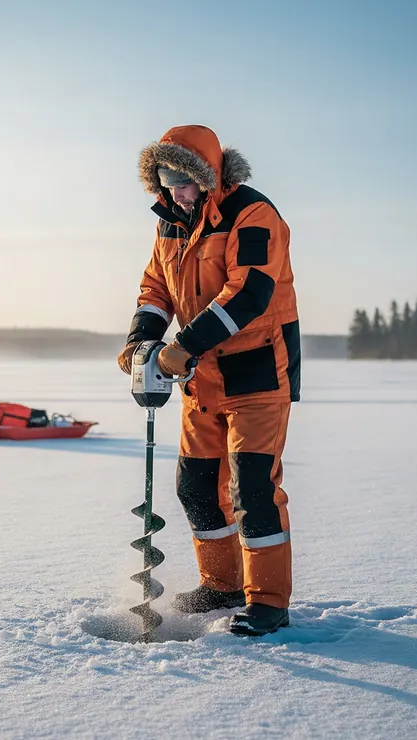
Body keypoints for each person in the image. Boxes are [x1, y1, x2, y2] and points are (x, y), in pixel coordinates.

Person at [117, 125, 300, 636]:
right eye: (162, 177)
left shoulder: (253, 214)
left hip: (258, 374)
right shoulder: (171, 224)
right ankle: (222, 585)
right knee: (196, 487)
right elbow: (156, 289)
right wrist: (142, 343)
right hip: (202, 379)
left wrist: (181, 347)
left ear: (207, 174)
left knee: (253, 490)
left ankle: (267, 603)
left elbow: (249, 295)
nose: (171, 188)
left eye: (180, 176)